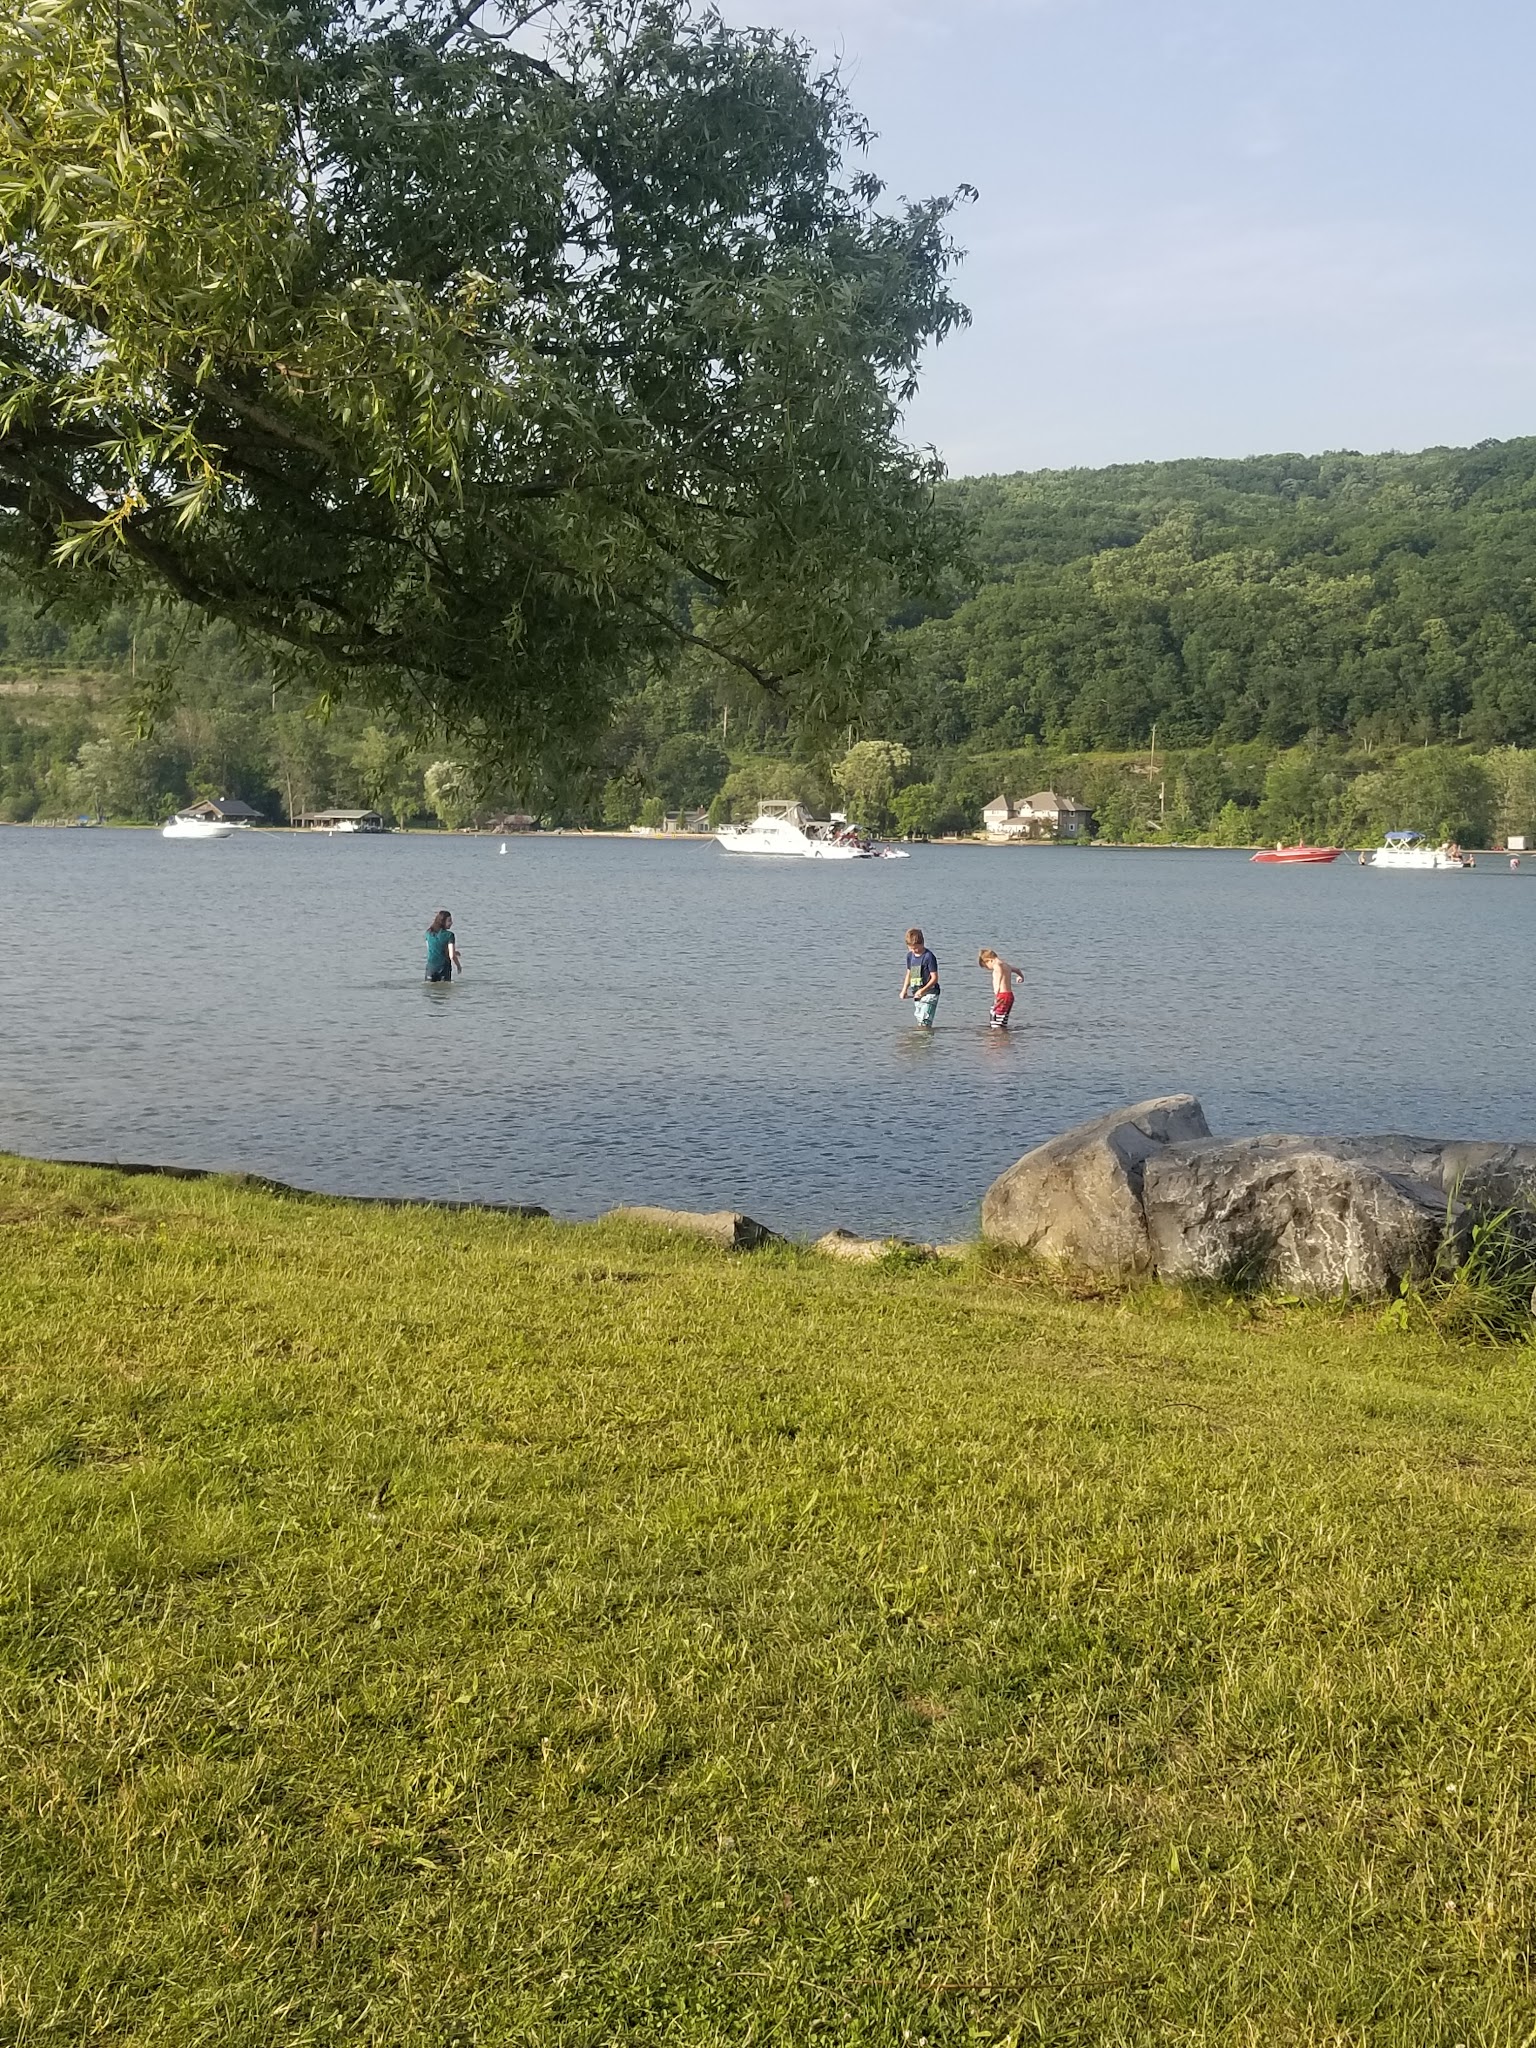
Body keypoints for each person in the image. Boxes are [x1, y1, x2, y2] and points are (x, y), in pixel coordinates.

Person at [900, 926, 940, 1028]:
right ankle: (919, 1042)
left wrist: (923, 990)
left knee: (924, 1021)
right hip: (916, 993)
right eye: (911, 948)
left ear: (922, 943)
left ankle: (925, 1042)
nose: (914, 950)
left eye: (916, 947)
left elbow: (934, 978)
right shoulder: (910, 956)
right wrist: (904, 990)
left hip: (930, 993)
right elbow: (909, 973)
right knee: (919, 1020)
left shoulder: (929, 957)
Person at [977, 947, 1024, 1029]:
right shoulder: (1006, 965)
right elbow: (1017, 970)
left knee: (995, 1019)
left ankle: (997, 1038)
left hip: (1002, 995)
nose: (989, 969)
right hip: (1009, 996)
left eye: (987, 966)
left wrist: (996, 992)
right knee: (1002, 1019)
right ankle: (1004, 1037)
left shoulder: (997, 966)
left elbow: (998, 978)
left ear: (990, 960)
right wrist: (1021, 977)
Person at [425, 909, 462, 982]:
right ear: (442, 921)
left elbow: (432, 949)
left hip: (431, 967)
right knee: (444, 991)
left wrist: (454, 952)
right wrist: (458, 966)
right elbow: (452, 956)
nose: (451, 923)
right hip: (443, 968)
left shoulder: (428, 933)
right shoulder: (449, 935)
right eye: (449, 921)